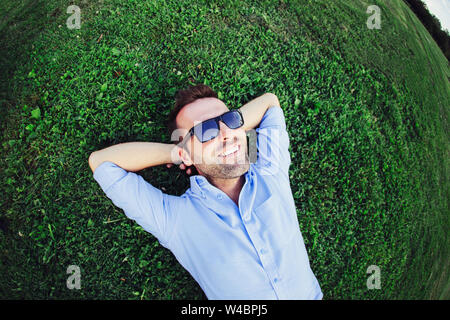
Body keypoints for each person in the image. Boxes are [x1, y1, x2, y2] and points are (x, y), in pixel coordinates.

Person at [88, 84, 323, 300]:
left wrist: (227, 128)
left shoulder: (271, 170)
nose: (226, 134)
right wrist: (177, 152)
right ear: (186, 154)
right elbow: (101, 162)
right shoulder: (176, 220)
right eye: (206, 130)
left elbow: (270, 102)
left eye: (230, 119)